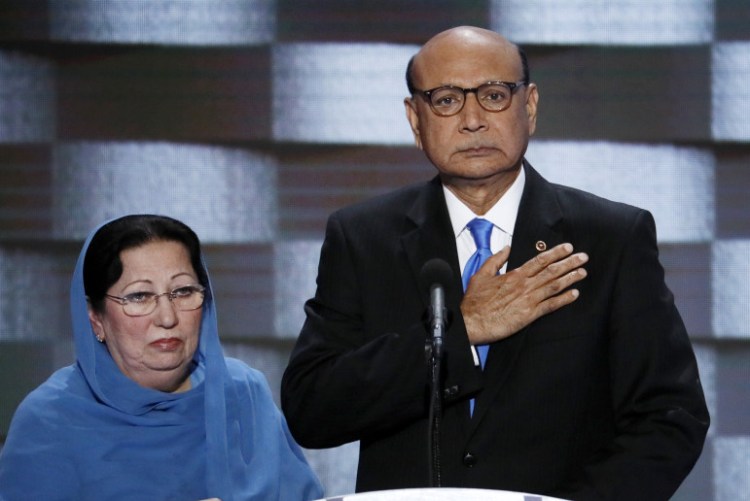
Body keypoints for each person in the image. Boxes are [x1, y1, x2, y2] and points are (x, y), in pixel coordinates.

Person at [280, 26, 709, 500]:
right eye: (446, 100)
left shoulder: (611, 237)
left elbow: (670, 416)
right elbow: (313, 409)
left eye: (493, 95)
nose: (472, 120)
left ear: (529, 107)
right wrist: (461, 333)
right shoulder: (363, 238)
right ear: (415, 119)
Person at [0, 214, 323, 501]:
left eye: (183, 291)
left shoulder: (243, 391)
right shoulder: (50, 419)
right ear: (95, 319)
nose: (167, 317)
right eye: (139, 296)